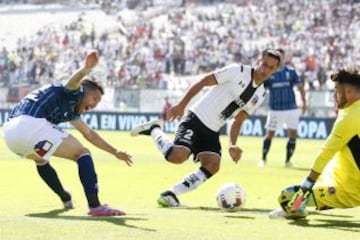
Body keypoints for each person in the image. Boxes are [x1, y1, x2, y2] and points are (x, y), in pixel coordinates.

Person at [130, 49, 283, 207]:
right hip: (196, 118)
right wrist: (182, 105)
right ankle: (154, 129)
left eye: (271, 68)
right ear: (259, 61)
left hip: (213, 130)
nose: (266, 70)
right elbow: (203, 81)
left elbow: (239, 120)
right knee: (177, 157)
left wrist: (232, 144)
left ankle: (171, 194)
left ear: (275, 70)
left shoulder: (261, 94)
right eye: (264, 64)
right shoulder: (237, 71)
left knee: (212, 165)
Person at [2, 50, 133, 216]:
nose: (94, 105)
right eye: (95, 98)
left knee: (41, 159)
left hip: (11, 137)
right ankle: (95, 205)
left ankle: (65, 196)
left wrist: (115, 152)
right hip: (31, 125)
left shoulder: (71, 109)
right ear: (84, 90)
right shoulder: (74, 92)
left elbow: (89, 133)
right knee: (82, 153)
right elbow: (73, 82)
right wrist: (86, 69)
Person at [269, 66, 360, 219]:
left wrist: (307, 185)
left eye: (336, 90)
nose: (334, 95)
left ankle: (296, 208)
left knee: (287, 197)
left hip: (349, 190)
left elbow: (325, 153)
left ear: (348, 92)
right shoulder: (351, 111)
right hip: (335, 178)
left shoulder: (349, 118)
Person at [259, 48, 306, 168]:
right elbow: (260, 87)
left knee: (293, 134)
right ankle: (263, 159)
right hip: (275, 109)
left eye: (281, 57)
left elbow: (300, 87)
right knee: (270, 134)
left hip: (291, 108)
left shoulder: (291, 72)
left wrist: (304, 102)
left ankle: (288, 161)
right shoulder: (269, 73)